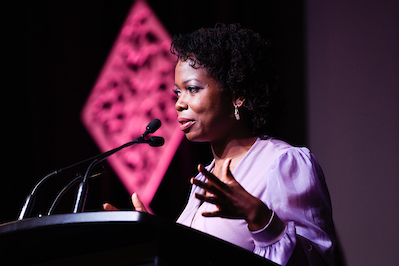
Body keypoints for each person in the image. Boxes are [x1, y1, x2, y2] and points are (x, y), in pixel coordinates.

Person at [104, 23, 337, 266]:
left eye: (192, 89)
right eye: (177, 92)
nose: (179, 104)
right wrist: (155, 238)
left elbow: (317, 262)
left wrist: (260, 218)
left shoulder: (283, 163)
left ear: (237, 95)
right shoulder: (204, 180)